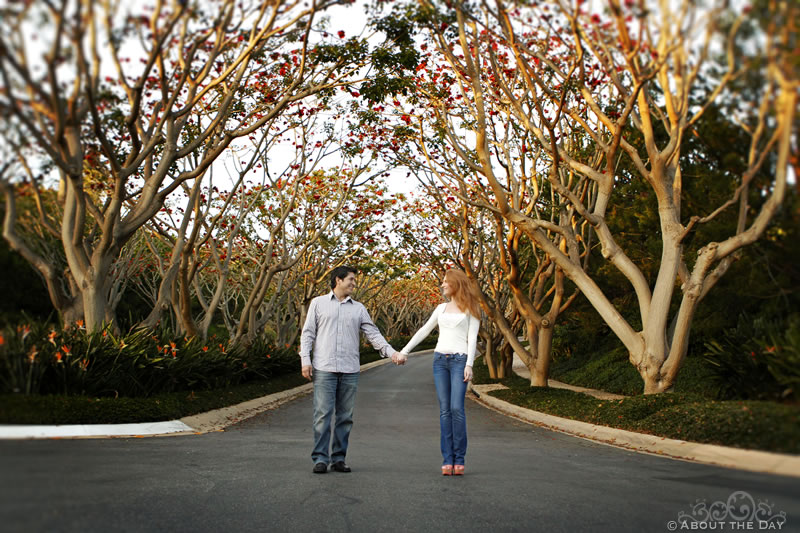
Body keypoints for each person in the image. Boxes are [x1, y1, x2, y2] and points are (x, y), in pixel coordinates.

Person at [300, 265, 403, 474]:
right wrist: (305, 360)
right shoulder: (318, 304)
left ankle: (339, 458)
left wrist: (391, 352)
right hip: (324, 368)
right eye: (351, 280)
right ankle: (320, 458)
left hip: (350, 370)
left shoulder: (359, 308)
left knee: (345, 417)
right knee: (322, 415)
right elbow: (308, 333)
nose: (354, 284)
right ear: (338, 280)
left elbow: (373, 334)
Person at [396, 268, 480, 476]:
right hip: (440, 361)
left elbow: (472, 339)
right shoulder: (441, 309)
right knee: (444, 410)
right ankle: (447, 459)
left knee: (456, 409)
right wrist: (404, 351)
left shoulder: (472, 308)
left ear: (455, 284)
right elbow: (424, 330)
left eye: (445, 282)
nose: (442, 285)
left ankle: (459, 459)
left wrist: (469, 364)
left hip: (460, 361)